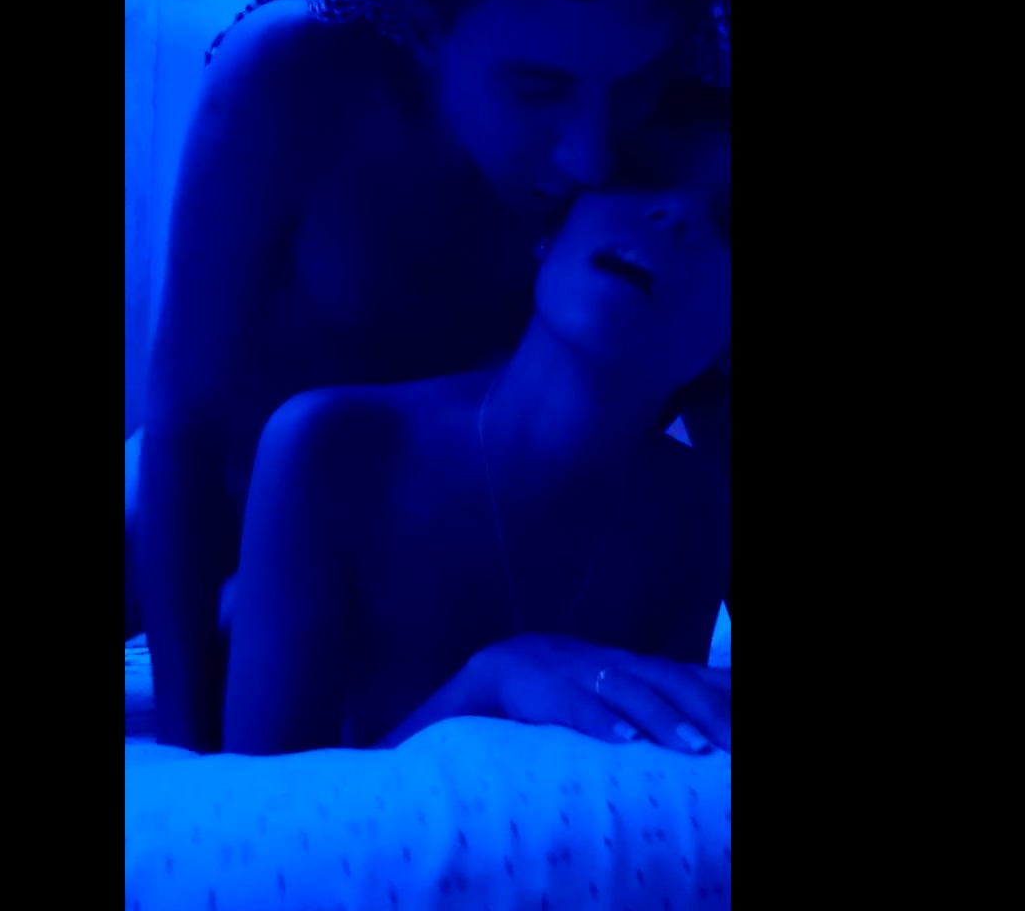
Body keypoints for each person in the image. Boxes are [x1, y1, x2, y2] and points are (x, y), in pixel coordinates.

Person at [131, 0, 734, 753]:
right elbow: (187, 424)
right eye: (536, 87)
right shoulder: (292, 77)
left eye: (635, 86)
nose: (591, 153)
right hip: (223, 493)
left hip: (409, 542)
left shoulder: (650, 164)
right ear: (421, 26)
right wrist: (192, 756)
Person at [222, 87, 731, 757]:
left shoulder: (694, 510)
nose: (678, 213)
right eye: (645, 171)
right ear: (549, 230)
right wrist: (485, 686)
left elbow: (662, 757)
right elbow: (261, 794)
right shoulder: (332, 447)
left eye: (731, 222)